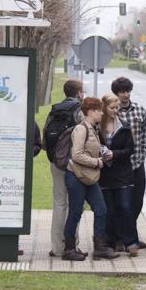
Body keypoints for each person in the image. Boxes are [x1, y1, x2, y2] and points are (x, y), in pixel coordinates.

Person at [62, 97, 119, 261]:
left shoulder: (92, 128)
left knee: (101, 209)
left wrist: (102, 151)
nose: (102, 113)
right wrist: (97, 162)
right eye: (99, 110)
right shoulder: (81, 129)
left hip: (90, 177)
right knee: (75, 212)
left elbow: (91, 148)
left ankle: (100, 247)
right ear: (91, 111)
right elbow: (77, 154)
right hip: (76, 176)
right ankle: (69, 249)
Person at [43, 79, 85, 258]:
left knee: (59, 203)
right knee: (75, 204)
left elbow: (46, 140)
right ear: (78, 93)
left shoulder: (55, 109)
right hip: (74, 164)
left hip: (56, 162)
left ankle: (56, 247)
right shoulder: (79, 110)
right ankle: (71, 244)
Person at [98, 93, 140, 257]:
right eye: (112, 108)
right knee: (109, 210)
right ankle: (109, 243)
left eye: (117, 108)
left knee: (126, 207)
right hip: (105, 174)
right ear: (104, 108)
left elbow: (130, 149)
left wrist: (114, 154)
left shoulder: (124, 126)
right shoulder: (97, 127)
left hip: (123, 174)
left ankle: (131, 242)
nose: (116, 111)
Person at [111, 77, 146, 251]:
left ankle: (129, 235)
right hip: (120, 165)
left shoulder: (140, 110)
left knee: (137, 201)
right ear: (116, 93)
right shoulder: (113, 112)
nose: (125, 95)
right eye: (121, 92)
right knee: (121, 203)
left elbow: (143, 135)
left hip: (138, 162)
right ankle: (121, 238)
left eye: (127, 91)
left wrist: (143, 153)